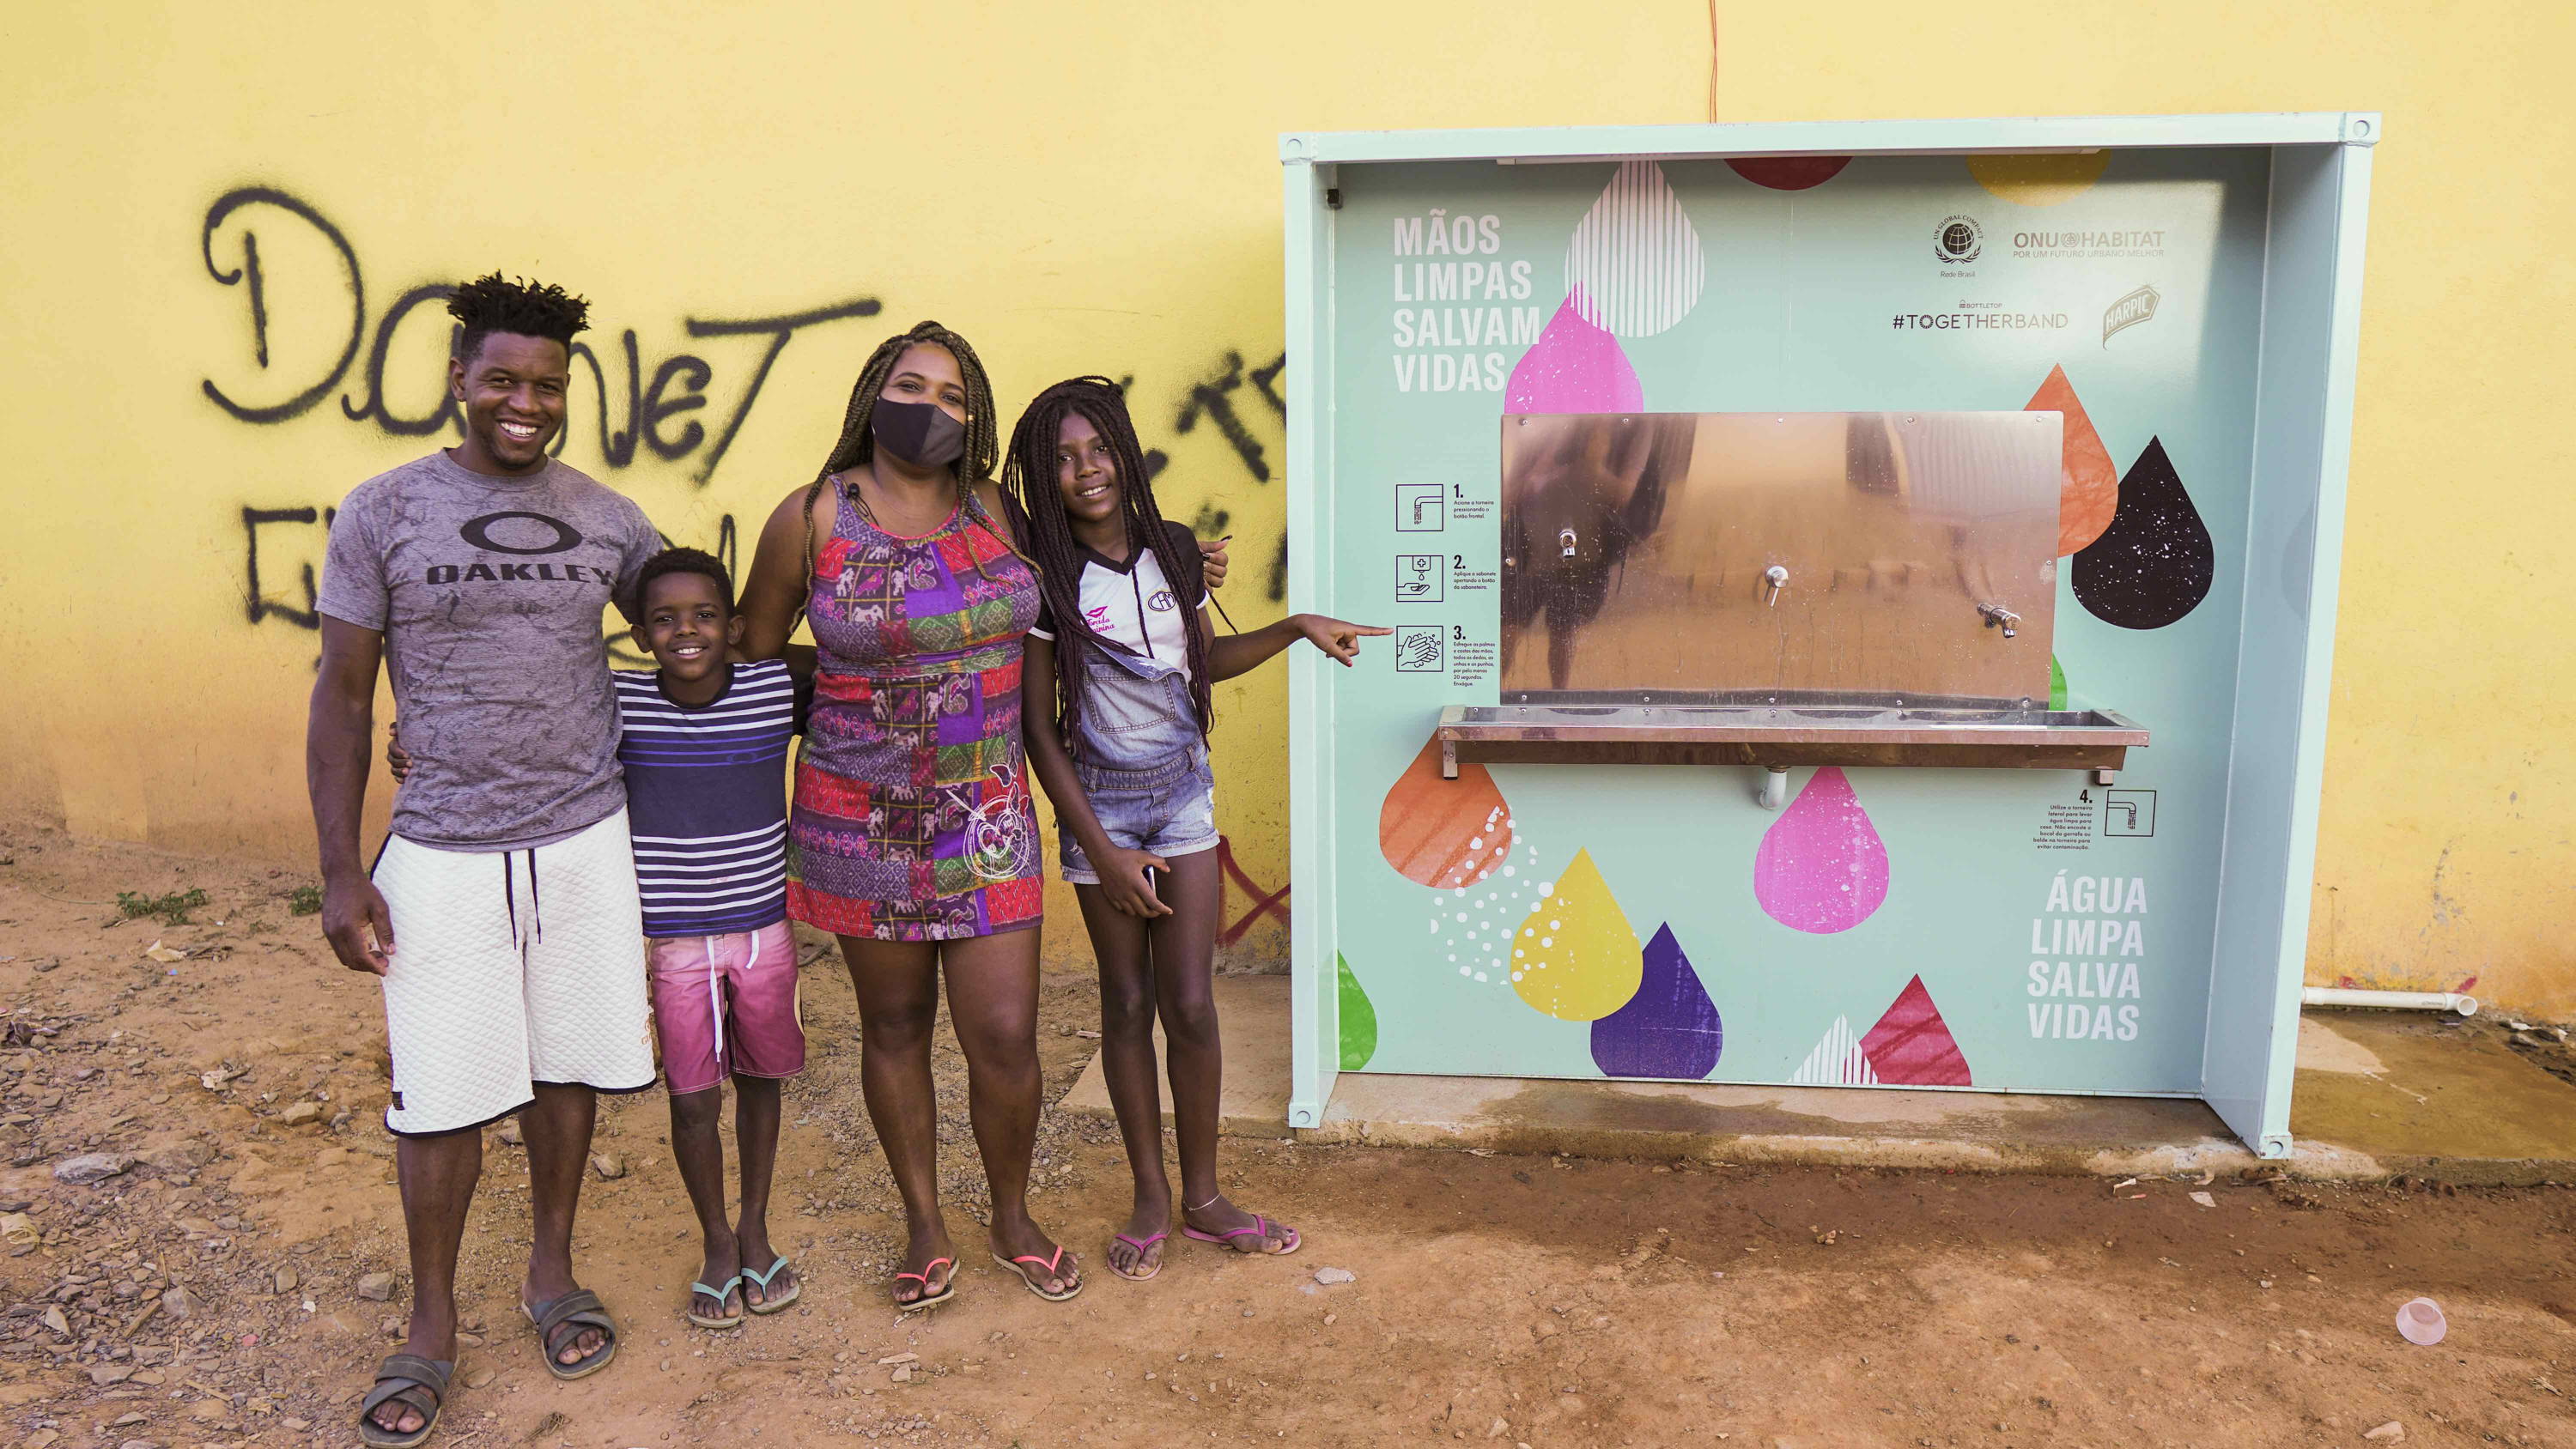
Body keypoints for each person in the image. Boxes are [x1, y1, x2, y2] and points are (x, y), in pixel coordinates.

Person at [308, 275, 656, 1446]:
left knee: (564, 1069)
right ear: (458, 379)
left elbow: (699, 635)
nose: (526, 403)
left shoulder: (610, 518)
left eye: (547, 385)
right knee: (441, 1095)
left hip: (583, 836)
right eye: (502, 380)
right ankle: (429, 1324)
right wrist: (340, 867)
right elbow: (344, 699)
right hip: (443, 848)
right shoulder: (384, 510)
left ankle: (550, 1273)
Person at [1002, 377, 1385, 1282]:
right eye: (1062, 458)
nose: (1086, 470)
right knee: (1127, 1005)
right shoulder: (1047, 580)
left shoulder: (1173, 548)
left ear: (1125, 452)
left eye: (1099, 449)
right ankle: (1148, 1192)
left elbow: (1199, 661)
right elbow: (1037, 729)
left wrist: (1295, 626)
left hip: (1181, 800)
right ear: (1041, 476)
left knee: (1192, 1004)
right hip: (1100, 807)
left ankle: (1205, 1196)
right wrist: (1099, 848)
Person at [391, 546, 810, 1331]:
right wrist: (420, 740)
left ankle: (755, 1228)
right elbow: (528, 726)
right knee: (692, 1100)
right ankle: (717, 1242)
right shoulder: (618, 706)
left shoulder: (778, 686)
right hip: (673, 945)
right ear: (641, 635)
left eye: (705, 617)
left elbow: (866, 683)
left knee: (762, 1084)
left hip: (764, 935)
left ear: (739, 627)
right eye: (665, 621)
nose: (687, 633)